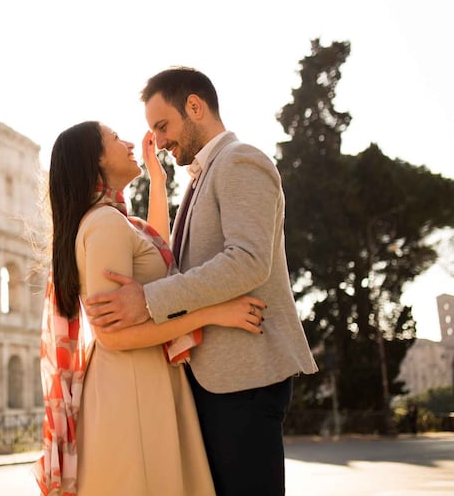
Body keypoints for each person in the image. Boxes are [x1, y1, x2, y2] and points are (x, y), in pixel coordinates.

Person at [84, 67, 319, 496]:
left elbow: (248, 262)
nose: (159, 139)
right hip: (218, 377)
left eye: (162, 126)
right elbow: (180, 265)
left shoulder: (241, 160)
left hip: (244, 375)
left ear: (195, 107)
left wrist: (148, 301)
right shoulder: (203, 175)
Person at [33, 120, 267, 496]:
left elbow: (157, 255)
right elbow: (113, 335)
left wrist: (157, 182)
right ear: (94, 160)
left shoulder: (114, 223)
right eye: (114, 138)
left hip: (138, 380)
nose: (128, 142)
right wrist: (213, 312)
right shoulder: (105, 224)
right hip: (132, 385)